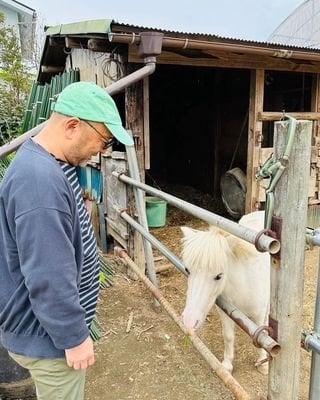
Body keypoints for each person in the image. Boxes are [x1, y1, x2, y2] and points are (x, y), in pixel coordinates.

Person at [0, 81, 134, 400]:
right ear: (72, 126)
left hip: (46, 330)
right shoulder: (39, 182)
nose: (102, 150)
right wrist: (74, 338)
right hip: (49, 339)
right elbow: (48, 274)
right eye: (103, 140)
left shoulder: (52, 164)